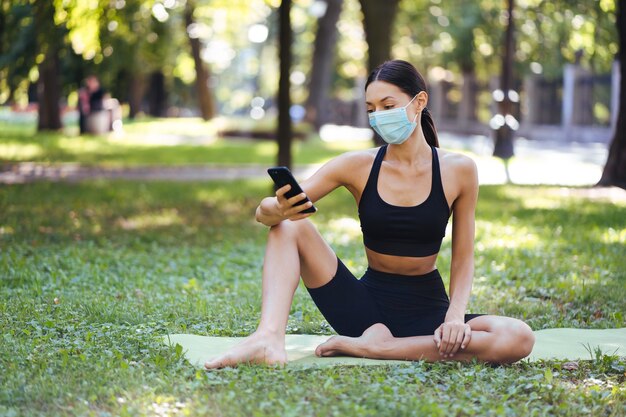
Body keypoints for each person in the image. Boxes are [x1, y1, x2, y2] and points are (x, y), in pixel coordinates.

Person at [205, 60, 535, 369]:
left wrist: (455, 317)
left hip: (428, 311)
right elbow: (268, 212)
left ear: (419, 102)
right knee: (289, 226)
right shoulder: (358, 165)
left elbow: (463, 258)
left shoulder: (459, 170)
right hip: (364, 312)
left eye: (388, 106)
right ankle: (268, 338)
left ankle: (379, 348)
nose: (378, 116)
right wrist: (278, 208)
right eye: (371, 109)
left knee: (518, 337)